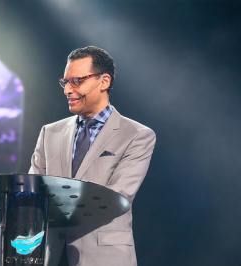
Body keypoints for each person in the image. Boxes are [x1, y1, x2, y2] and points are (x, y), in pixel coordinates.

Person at [29, 46, 156, 266]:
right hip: (53, 255)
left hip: (105, 257)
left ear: (104, 81)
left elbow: (117, 197)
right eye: (65, 82)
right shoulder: (49, 132)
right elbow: (31, 190)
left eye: (76, 81)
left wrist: (52, 204)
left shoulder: (137, 135)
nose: (68, 90)